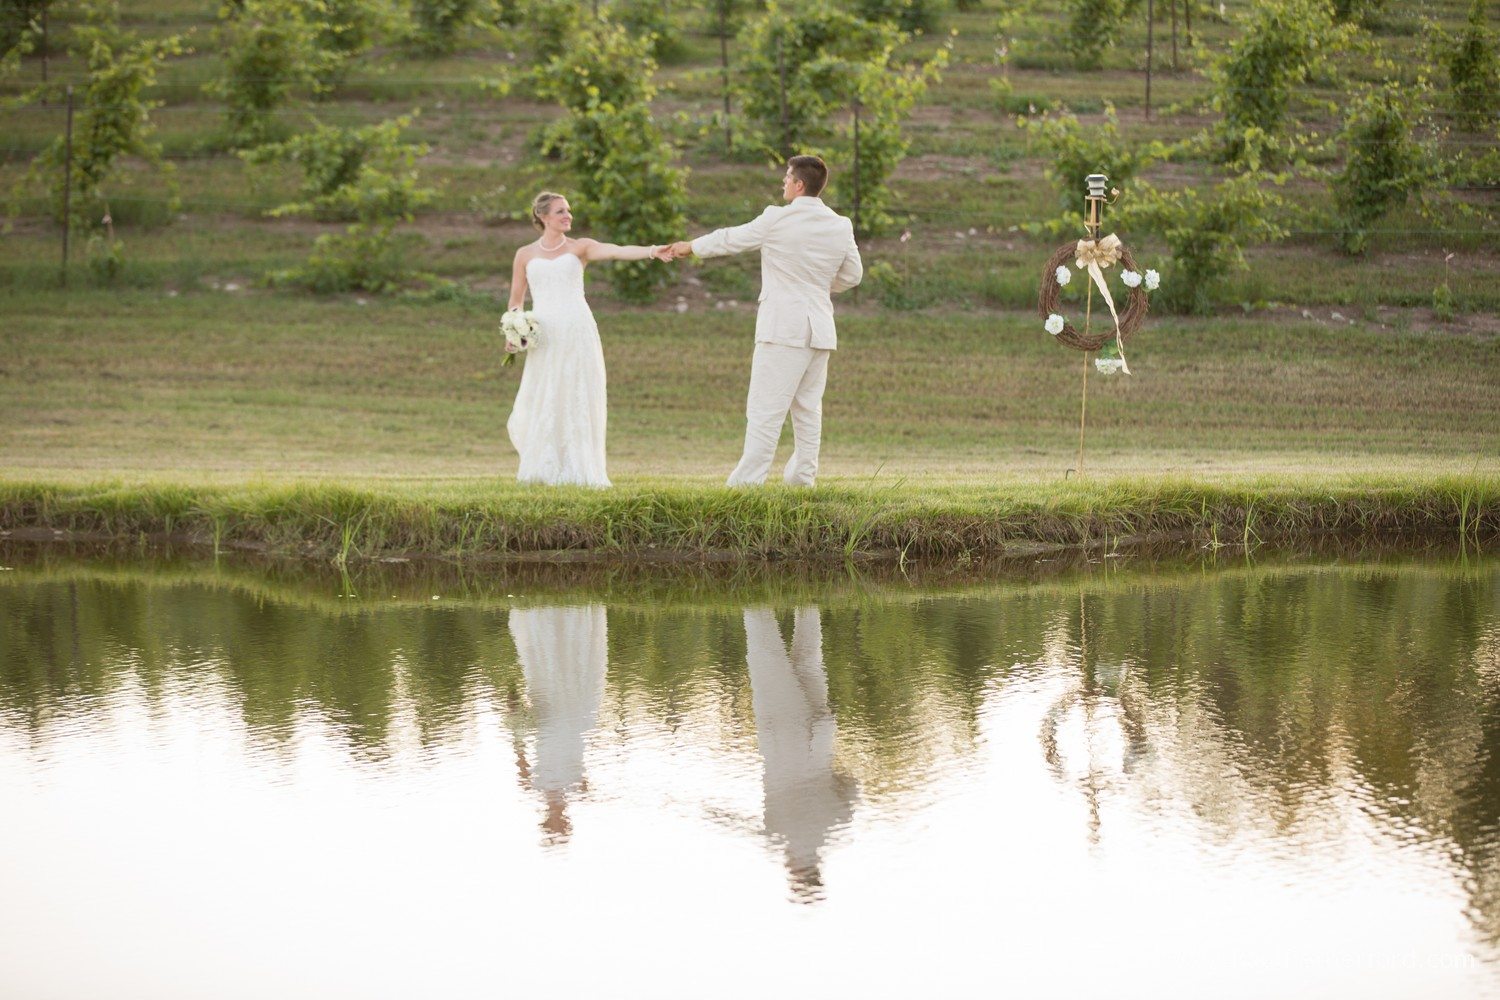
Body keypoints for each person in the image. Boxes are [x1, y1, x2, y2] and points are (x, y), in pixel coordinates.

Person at [668, 155, 863, 488]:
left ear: (799, 185)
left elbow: (731, 238)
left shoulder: (776, 218)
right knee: (808, 409)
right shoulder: (841, 224)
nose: (783, 182)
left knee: (765, 410)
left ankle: (746, 485)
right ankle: (802, 479)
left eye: (787, 177)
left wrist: (691, 246)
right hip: (819, 330)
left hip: (783, 329)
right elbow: (853, 275)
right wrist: (816, 285)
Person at [506, 191, 673, 487]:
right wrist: (514, 330)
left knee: (576, 393)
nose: (568, 215)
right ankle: (543, 466)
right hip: (545, 335)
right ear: (543, 216)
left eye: (568, 210)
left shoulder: (580, 247)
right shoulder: (525, 254)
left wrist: (651, 251)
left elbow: (615, 250)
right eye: (560, 211)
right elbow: (516, 301)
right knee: (546, 393)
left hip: (576, 330)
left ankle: (580, 467)